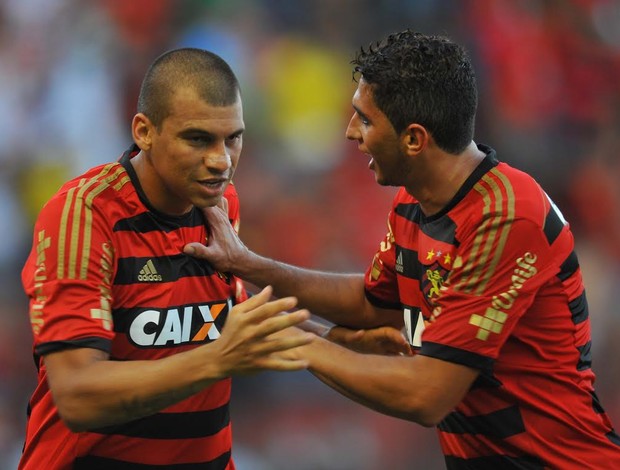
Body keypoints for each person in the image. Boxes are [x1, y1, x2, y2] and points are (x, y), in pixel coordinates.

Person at [185, 30, 620, 468]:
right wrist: (251, 264)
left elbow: (428, 395)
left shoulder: (507, 217)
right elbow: (374, 303)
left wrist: (296, 341)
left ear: (414, 139)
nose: (350, 132)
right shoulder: (417, 198)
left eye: (365, 120)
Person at [19, 48, 314, 469]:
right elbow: (77, 394)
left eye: (233, 138)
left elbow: (231, 323)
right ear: (144, 131)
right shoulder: (85, 215)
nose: (221, 161)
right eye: (197, 139)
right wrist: (219, 359)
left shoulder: (219, 203)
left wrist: (340, 339)